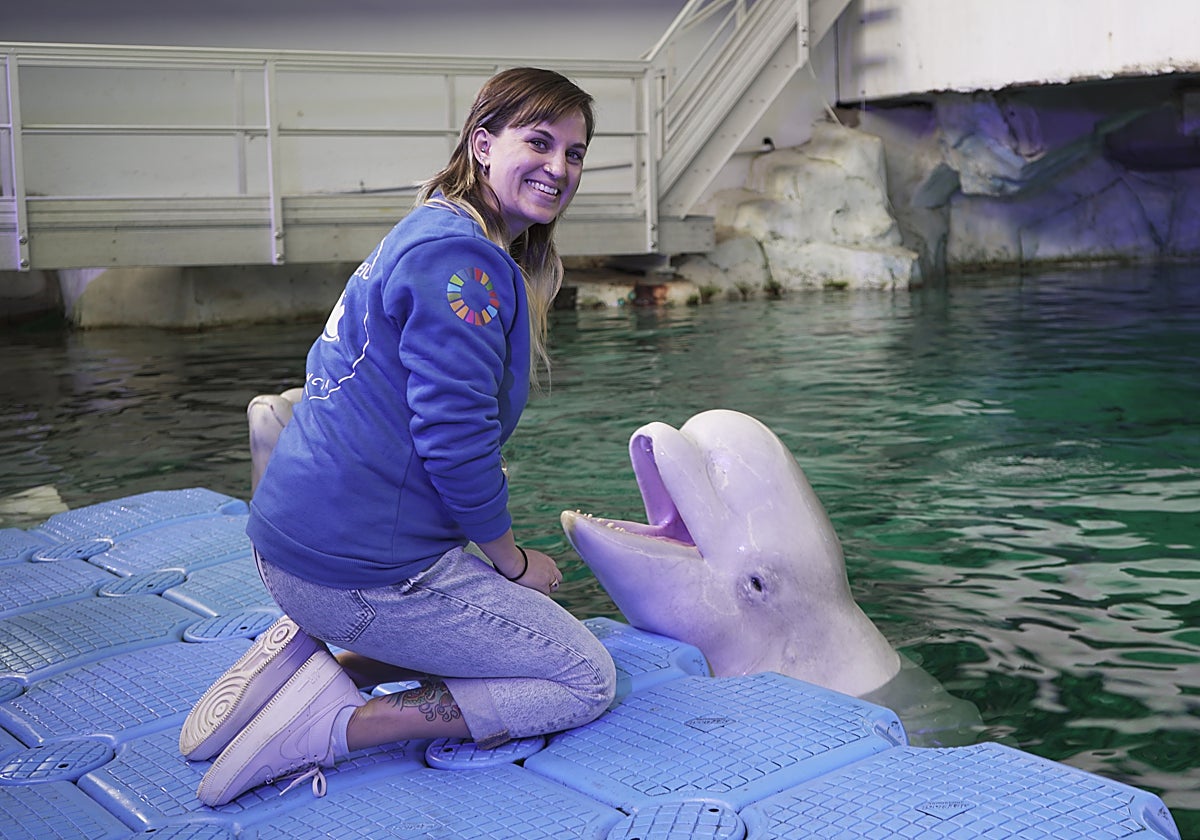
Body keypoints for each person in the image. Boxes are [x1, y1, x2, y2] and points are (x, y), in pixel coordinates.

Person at [179, 67, 617, 807]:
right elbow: (453, 442)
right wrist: (510, 564)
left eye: (574, 153)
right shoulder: (466, 262)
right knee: (582, 677)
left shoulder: (429, 226)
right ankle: (341, 718)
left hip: (290, 547)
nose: (559, 168)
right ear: (483, 145)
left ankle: (320, 662)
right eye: (538, 142)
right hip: (355, 575)